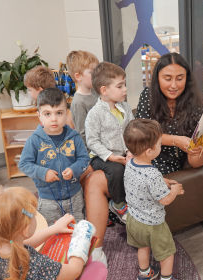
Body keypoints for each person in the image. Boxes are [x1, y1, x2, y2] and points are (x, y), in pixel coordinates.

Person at [0, 186, 108, 280]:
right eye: (33, 215)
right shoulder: (37, 264)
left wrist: (54, 229)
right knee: (98, 268)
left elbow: (26, 243)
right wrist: (81, 241)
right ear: (25, 229)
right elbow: (73, 271)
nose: (35, 216)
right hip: (57, 272)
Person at [84, 62, 134, 264]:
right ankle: (119, 205)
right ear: (104, 90)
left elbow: (131, 131)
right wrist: (109, 156)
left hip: (124, 153)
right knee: (116, 170)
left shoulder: (125, 108)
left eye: (124, 85)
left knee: (129, 168)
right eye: (120, 86)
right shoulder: (95, 114)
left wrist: (130, 151)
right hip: (102, 157)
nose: (125, 90)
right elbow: (92, 141)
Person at [18, 88, 90, 226]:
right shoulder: (34, 140)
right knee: (51, 232)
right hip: (47, 200)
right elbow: (24, 164)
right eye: (47, 114)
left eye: (59, 113)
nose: (54, 119)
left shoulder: (74, 137)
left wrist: (74, 169)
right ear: (39, 115)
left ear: (67, 113)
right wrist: (43, 173)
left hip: (74, 196)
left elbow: (84, 159)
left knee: (78, 228)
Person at [123, 119, 184, 280]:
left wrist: (162, 181)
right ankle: (166, 278)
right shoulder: (153, 174)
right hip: (153, 224)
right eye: (159, 145)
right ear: (150, 151)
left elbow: (141, 182)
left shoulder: (129, 163)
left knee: (142, 247)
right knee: (167, 252)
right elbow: (164, 200)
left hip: (133, 219)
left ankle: (145, 274)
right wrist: (175, 190)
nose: (161, 147)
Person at [136, 52, 203, 175]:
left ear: (187, 79)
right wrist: (176, 140)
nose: (173, 85)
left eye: (179, 79)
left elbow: (196, 163)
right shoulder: (148, 96)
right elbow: (142, 134)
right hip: (147, 160)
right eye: (167, 79)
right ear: (157, 78)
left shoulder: (195, 104)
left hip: (175, 167)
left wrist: (196, 152)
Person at [66, 50, 99, 146]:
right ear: (78, 76)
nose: (97, 75)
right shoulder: (78, 102)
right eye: (92, 72)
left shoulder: (94, 92)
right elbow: (82, 133)